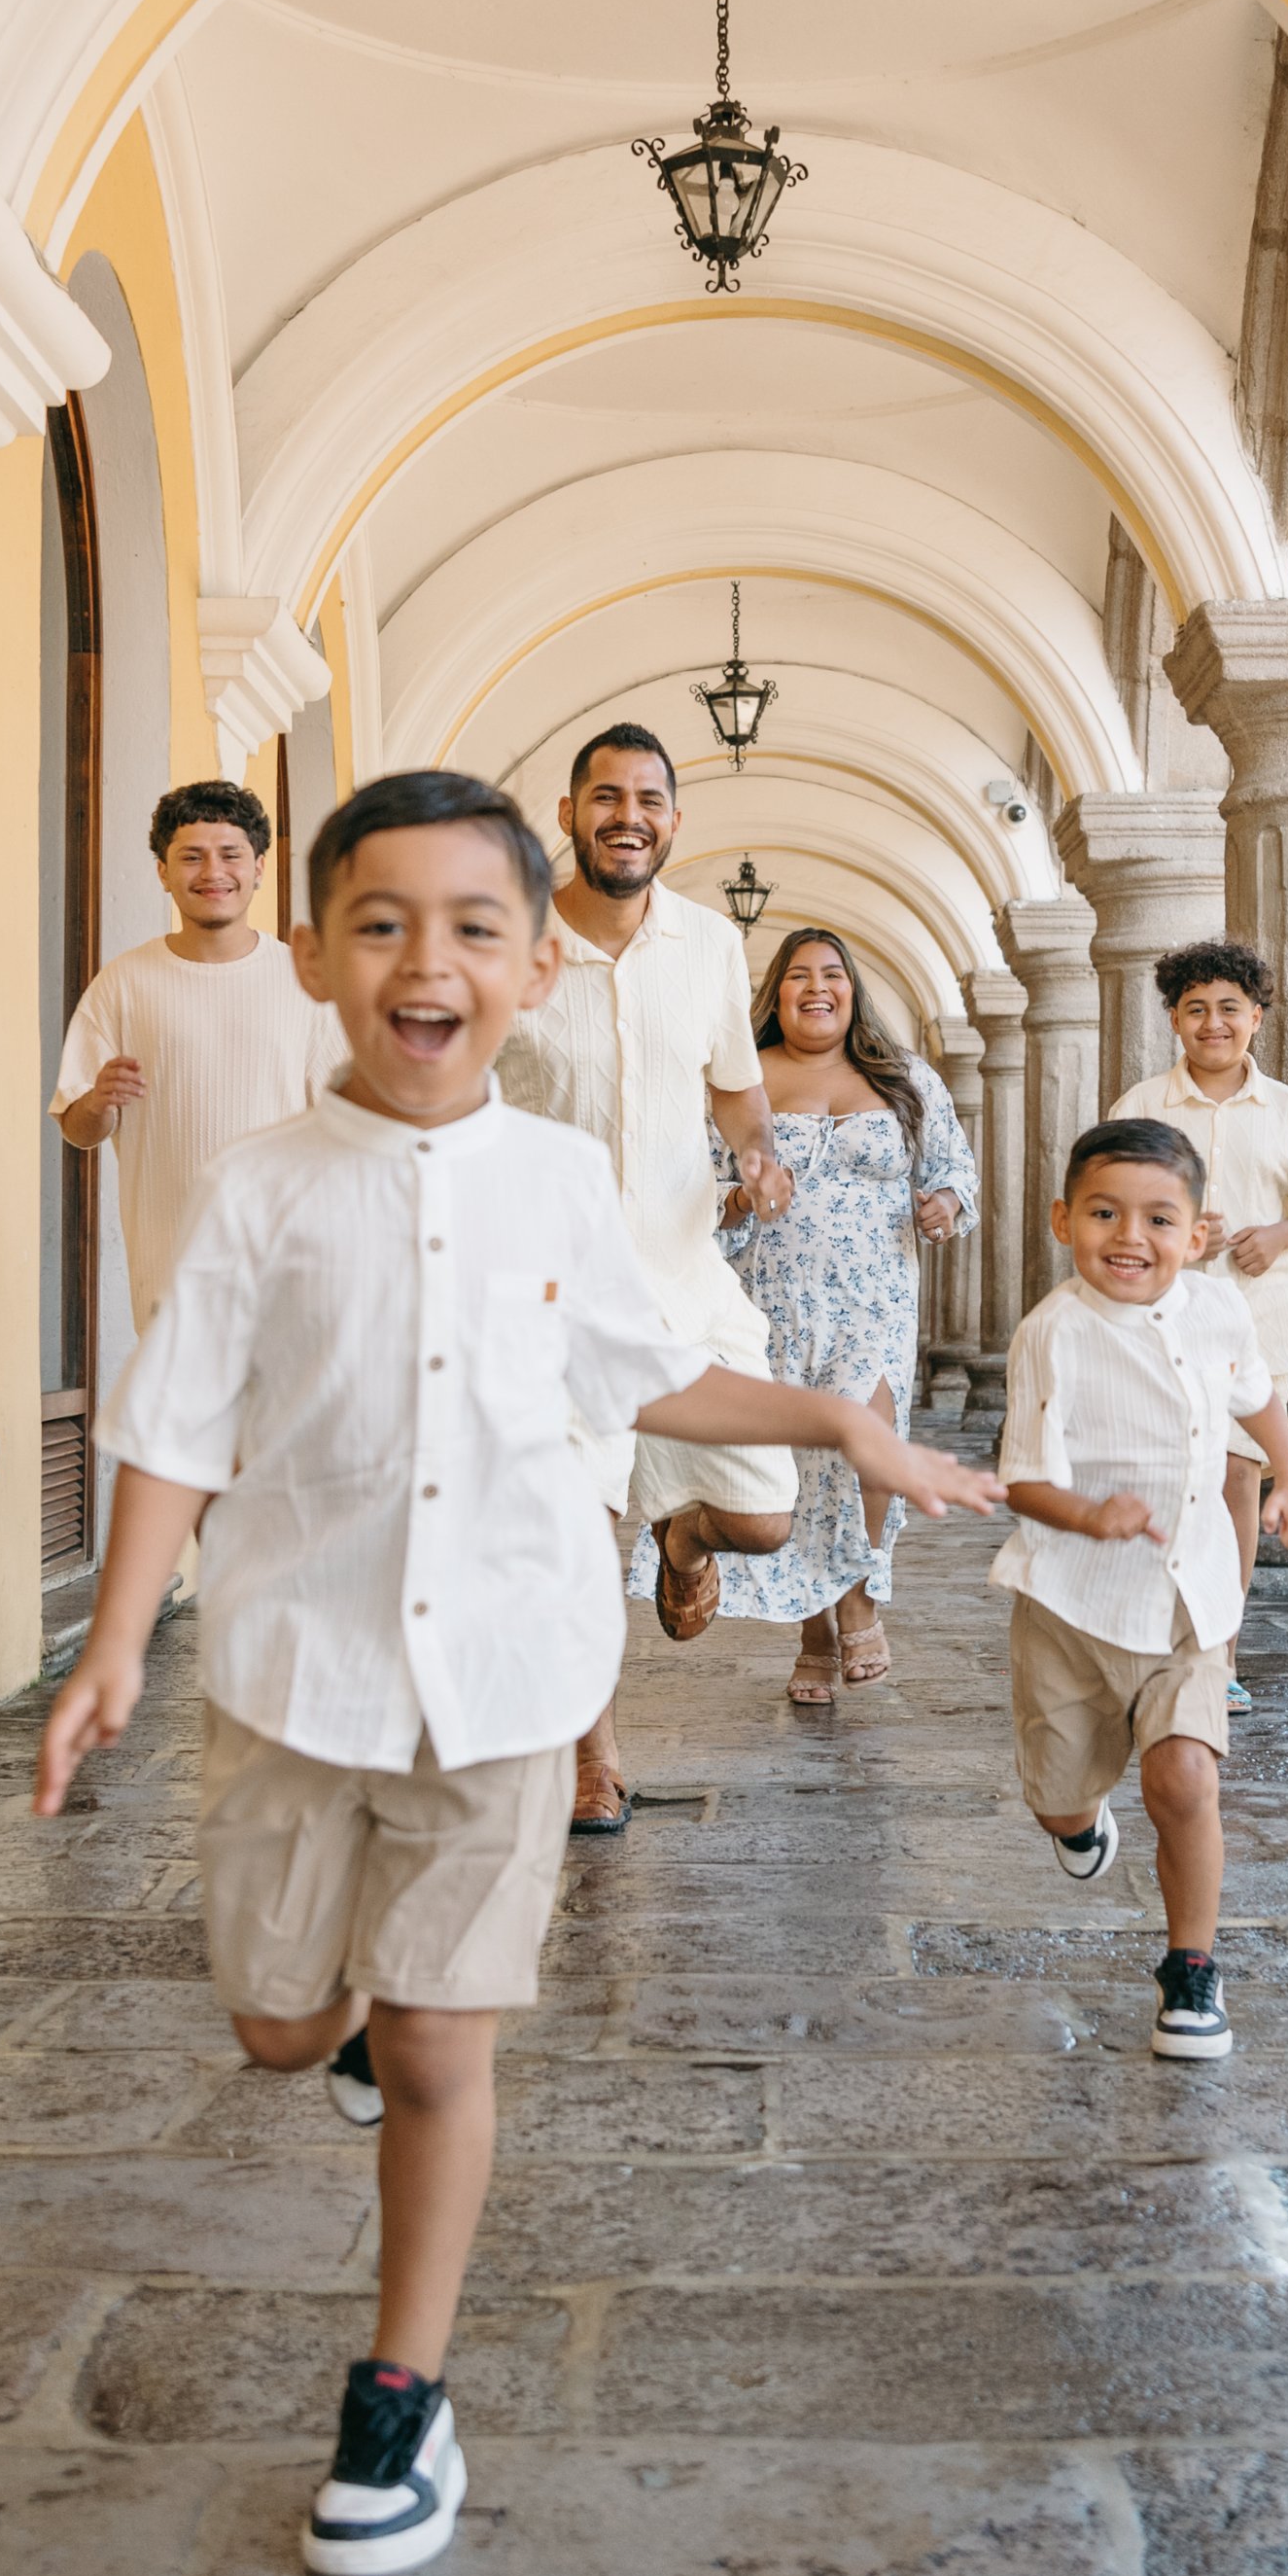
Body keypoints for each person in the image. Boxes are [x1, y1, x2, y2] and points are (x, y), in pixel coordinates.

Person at [33, 768, 1002, 2576]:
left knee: (436, 2044)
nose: (430, 959)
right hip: (294, 1674)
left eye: (476, 925)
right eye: (384, 922)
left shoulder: (559, 1183)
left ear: (535, 967)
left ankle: (400, 2392)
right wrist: (105, 1655)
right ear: (315, 955)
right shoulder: (255, 1193)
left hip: (503, 1672)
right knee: (275, 2024)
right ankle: (330, 2027)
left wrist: (833, 1422)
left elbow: (645, 1373)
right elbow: (166, 1431)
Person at [496, 725, 798, 1832]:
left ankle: (683, 1536)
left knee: (761, 1518)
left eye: (651, 798)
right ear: (569, 812)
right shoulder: (513, 940)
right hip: (554, 1293)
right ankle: (594, 1757)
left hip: (683, 1279)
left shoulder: (711, 944)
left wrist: (758, 1153)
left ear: (676, 819)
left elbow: (733, 1088)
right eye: (607, 796)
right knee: (583, 1533)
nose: (630, 815)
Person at [993, 1118, 1288, 2061]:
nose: (1129, 1236)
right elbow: (1020, 1479)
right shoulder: (1050, 1334)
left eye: (1157, 1217)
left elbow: (1254, 1393)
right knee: (1059, 1793)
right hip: (1072, 1605)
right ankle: (1075, 1820)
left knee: (1184, 1776)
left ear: (1195, 1231)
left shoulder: (1219, 1309)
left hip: (1189, 1599)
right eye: (1103, 1212)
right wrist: (1084, 1512)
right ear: (1064, 1219)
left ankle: (1190, 1968)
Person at [712, 927, 977, 1705]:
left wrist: (944, 1204)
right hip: (775, 1301)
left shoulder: (906, 1079)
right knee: (799, 1466)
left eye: (832, 974)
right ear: (776, 993)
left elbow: (954, 1167)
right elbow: (698, 1183)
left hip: (875, 1300)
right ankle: (813, 1630)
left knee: (867, 1451)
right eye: (798, 975)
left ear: (853, 991)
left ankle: (856, 1600)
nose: (816, 987)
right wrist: (737, 1196)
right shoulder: (742, 1082)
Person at [1108, 939, 1288, 1710]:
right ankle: (1157, 1634)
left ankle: (1221, 1651)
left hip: (1257, 1321)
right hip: (1159, 1323)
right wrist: (1169, 1228)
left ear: (1257, 1019)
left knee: (1239, 1478)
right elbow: (1101, 1205)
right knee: (1176, 1477)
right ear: (1174, 1018)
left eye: (1230, 1009)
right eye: (1196, 1008)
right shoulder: (1141, 1106)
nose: (1214, 1022)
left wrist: (1276, 1236)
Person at [52, 779, 346, 1329]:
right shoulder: (123, 984)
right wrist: (98, 1100)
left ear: (259, 866)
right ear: (163, 872)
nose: (212, 873)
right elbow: (76, 1128)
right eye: (191, 857)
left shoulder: (305, 982)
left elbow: (347, 1123)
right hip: (171, 1278)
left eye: (230, 854)